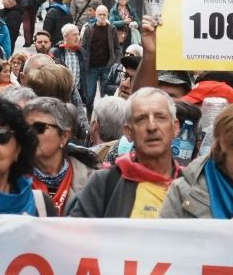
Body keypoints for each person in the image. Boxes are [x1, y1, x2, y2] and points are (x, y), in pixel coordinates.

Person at [68, 87, 180, 218]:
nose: (151, 127)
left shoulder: (192, 185)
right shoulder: (105, 183)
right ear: (128, 131)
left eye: (160, 117)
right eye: (141, 119)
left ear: (175, 127)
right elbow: (76, 235)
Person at [24, 96, 98, 213]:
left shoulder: (91, 179)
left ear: (64, 136)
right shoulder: (12, 179)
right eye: (25, 128)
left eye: (39, 128)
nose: (30, 134)